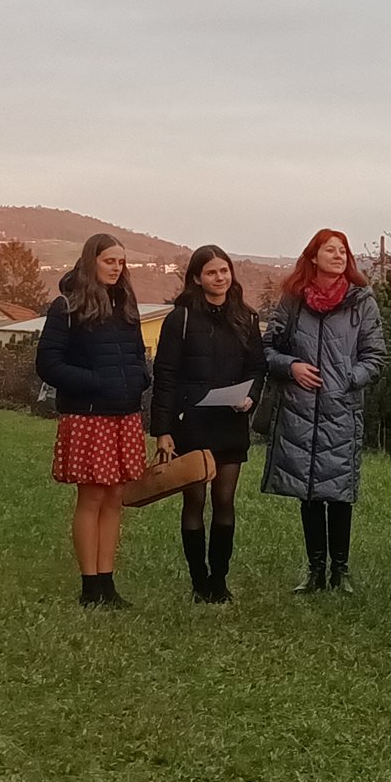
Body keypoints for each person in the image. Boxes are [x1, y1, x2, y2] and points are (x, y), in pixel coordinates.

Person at [262, 229, 387, 594]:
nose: (338, 255)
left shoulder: (362, 302)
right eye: (330, 250)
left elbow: (375, 356)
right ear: (313, 257)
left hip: (341, 408)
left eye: (343, 250)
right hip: (299, 409)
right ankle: (315, 569)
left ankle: (340, 571)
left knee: (339, 490)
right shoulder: (293, 300)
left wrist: (350, 377)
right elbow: (267, 349)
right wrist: (291, 367)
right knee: (309, 491)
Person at [37, 233, 151, 609]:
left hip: (124, 414)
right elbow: (48, 364)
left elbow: (138, 354)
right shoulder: (67, 307)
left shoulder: (126, 305)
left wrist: (139, 378)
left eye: (121, 262)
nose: (116, 268)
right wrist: (96, 382)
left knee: (116, 496)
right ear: (92, 261)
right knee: (92, 496)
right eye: (109, 261)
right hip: (88, 416)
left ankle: (107, 581)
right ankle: (89, 585)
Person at [150, 245, 266, 604]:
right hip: (192, 423)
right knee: (195, 500)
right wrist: (163, 430)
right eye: (212, 272)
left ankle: (219, 579)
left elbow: (257, 367)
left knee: (225, 500)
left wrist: (251, 397)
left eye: (224, 270)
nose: (220, 277)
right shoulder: (180, 319)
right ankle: (198, 580)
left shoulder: (246, 317)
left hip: (230, 421)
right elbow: (165, 376)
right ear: (197, 278)